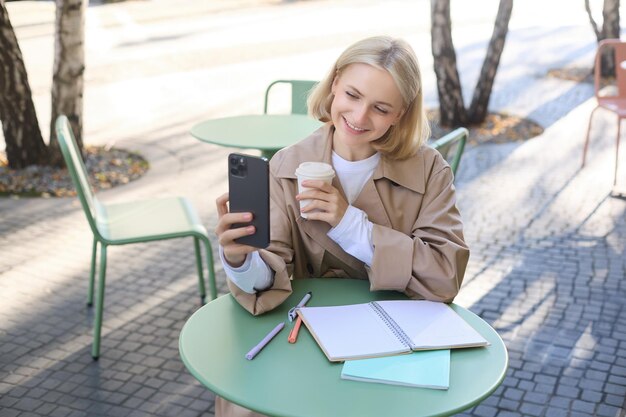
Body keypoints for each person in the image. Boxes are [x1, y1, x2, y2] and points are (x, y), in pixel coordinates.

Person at [214, 35, 469, 417]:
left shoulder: (430, 170)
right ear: (333, 84)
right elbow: (270, 271)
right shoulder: (285, 166)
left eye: (381, 108)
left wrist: (350, 223)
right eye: (352, 94)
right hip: (299, 334)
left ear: (401, 113)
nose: (359, 116)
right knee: (242, 407)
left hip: (393, 341)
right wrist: (240, 261)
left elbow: (444, 275)